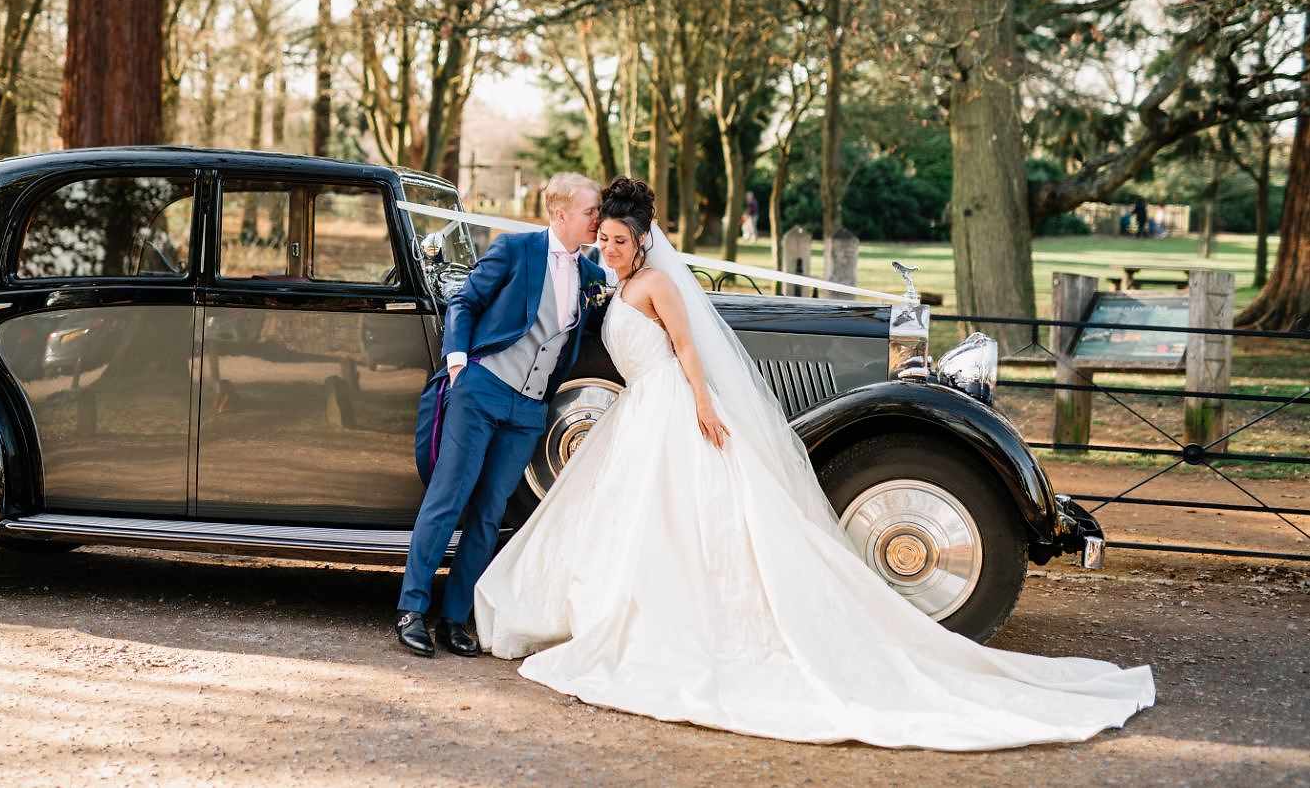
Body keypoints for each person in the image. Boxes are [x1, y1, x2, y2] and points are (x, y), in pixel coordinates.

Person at [473, 177, 1155, 750]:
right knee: (636, 523)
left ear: (644, 240)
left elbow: (687, 349)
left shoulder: (655, 282)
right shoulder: (609, 278)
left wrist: (705, 407)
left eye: (619, 240)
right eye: (604, 239)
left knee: (687, 522)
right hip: (635, 419)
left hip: (674, 410)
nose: (609, 249)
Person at [394, 172, 611, 658]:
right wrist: (457, 364)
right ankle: (411, 609)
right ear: (561, 214)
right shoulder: (516, 250)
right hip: (481, 389)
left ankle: (453, 618)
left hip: (528, 410)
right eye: (590, 211)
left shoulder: (591, 275)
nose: (597, 220)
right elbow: (465, 302)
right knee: (448, 500)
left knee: (490, 515)